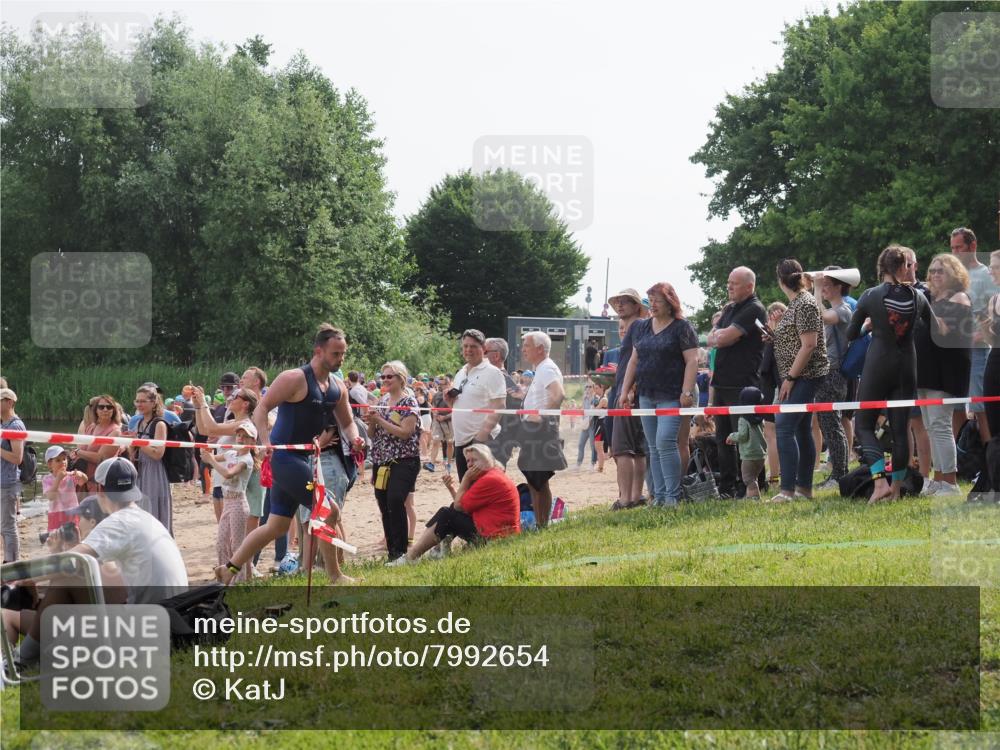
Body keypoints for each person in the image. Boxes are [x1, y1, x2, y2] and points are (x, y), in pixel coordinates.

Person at [215, 324, 363, 586]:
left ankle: (229, 568)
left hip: (303, 458)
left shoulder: (337, 387)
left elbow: (348, 422)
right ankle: (335, 576)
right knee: (328, 510)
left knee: (277, 527)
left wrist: (355, 439)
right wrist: (266, 441)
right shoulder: (293, 378)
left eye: (343, 354)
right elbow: (262, 409)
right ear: (318, 351)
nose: (340, 359)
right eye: (335, 354)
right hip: (283, 458)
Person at [847, 246, 935, 504]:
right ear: (903, 267)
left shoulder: (871, 296)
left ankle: (880, 484)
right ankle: (896, 490)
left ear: (882, 268)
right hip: (907, 365)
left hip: (878, 364)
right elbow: (936, 328)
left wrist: (867, 327)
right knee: (900, 430)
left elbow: (850, 334)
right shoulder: (918, 297)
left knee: (863, 425)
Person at [618, 282, 699, 506]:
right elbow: (634, 360)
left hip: (672, 394)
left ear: (670, 302)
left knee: (665, 442)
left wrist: (686, 391)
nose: (652, 305)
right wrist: (625, 390)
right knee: (652, 446)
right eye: (650, 300)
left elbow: (692, 360)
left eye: (657, 301)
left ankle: (673, 495)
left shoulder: (682, 327)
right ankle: (660, 495)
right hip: (645, 393)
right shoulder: (642, 327)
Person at [395, 444, 520, 564]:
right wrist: (451, 488)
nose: (470, 465)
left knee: (447, 514)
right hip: (499, 535)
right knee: (449, 511)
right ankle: (437, 551)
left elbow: (458, 506)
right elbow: (463, 507)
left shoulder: (489, 479)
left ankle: (412, 556)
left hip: (496, 539)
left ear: (487, 460)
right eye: (468, 461)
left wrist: (466, 478)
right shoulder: (492, 475)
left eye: (474, 460)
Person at [769, 259, 829, 503]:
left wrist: (791, 378)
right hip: (799, 375)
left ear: (781, 281)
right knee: (802, 429)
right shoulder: (798, 303)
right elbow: (796, 338)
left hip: (806, 375)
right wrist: (774, 335)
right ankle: (804, 488)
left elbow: (809, 345)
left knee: (784, 426)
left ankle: (788, 490)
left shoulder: (804, 304)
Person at [706, 267, 768, 497]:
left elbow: (723, 337)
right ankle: (727, 486)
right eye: (728, 282)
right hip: (722, 382)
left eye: (734, 283)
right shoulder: (731, 308)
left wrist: (719, 336)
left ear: (749, 286)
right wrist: (718, 336)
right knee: (723, 439)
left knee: (746, 438)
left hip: (743, 385)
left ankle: (751, 485)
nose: (729, 286)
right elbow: (715, 336)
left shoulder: (754, 308)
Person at [915, 253, 973, 496]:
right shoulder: (928, 296)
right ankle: (938, 479)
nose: (936, 275)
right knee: (930, 424)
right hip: (925, 371)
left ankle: (950, 482)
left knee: (940, 425)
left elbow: (944, 329)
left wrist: (923, 304)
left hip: (946, 372)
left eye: (942, 271)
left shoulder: (959, 298)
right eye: (934, 270)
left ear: (954, 274)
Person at [364, 360, 422, 563]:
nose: (385, 380)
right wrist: (372, 421)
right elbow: (373, 434)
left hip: (404, 460)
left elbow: (406, 433)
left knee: (396, 501)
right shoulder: (381, 400)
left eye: (390, 376)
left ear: (401, 379)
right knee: (384, 505)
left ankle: (401, 552)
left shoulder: (409, 402)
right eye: (383, 376)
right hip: (381, 461)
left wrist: (380, 420)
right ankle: (392, 554)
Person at [517, 331, 567, 526]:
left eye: (527, 346)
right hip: (535, 429)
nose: (523, 350)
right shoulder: (542, 368)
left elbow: (559, 394)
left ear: (539, 349)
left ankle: (542, 524)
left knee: (538, 479)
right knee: (534, 479)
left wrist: (542, 415)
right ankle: (540, 523)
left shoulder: (546, 368)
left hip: (541, 430)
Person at [813, 267, 856, 491]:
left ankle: (840, 474)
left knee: (832, 426)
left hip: (834, 374)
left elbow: (820, 315)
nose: (824, 289)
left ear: (839, 286)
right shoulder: (836, 308)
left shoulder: (844, 309)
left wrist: (816, 289)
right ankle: (838, 472)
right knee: (829, 424)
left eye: (828, 285)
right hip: (827, 373)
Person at [951, 227, 995, 443]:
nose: (955, 253)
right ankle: (960, 456)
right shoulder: (954, 276)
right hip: (954, 350)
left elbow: (994, 310)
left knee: (979, 405)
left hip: (977, 350)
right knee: (955, 405)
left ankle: (989, 459)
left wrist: (981, 334)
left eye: (959, 247)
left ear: (973, 246)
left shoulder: (987, 274)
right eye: (952, 248)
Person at [606, 289, 649, 509]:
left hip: (629, 393)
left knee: (622, 448)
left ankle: (626, 498)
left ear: (636, 306)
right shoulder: (640, 326)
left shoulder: (637, 327)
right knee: (638, 448)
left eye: (626, 302)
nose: (620, 306)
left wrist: (629, 388)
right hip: (634, 392)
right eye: (618, 302)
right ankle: (636, 495)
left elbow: (638, 360)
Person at [201, 421, 258, 583]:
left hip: (239, 504)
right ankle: (224, 578)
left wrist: (211, 460)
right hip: (227, 503)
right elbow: (209, 457)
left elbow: (228, 474)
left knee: (237, 546)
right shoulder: (231, 453)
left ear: (253, 441)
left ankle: (240, 582)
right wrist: (206, 453)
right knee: (221, 544)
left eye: (245, 436)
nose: (240, 439)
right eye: (239, 435)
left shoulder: (246, 460)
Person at [448, 329, 506, 479]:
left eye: (473, 346)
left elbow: (499, 406)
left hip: (482, 441)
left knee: (483, 491)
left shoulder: (492, 372)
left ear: (483, 349)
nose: (468, 350)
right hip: (461, 442)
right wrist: (450, 403)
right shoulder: (461, 372)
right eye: (465, 346)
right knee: (467, 490)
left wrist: (481, 436)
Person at [131, 384, 174, 533]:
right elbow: (136, 450)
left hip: (154, 471)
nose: (139, 404)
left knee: (153, 506)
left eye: (143, 401)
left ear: (153, 402)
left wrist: (137, 441)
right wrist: (129, 443)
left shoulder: (159, 424)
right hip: (140, 469)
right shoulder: (139, 423)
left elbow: (158, 454)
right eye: (137, 401)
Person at [70, 395, 124, 493]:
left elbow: (101, 458)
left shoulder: (115, 431)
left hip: (100, 482)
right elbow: (81, 449)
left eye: (109, 407)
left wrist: (78, 452)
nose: (105, 409)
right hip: (82, 480)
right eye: (101, 407)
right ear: (96, 410)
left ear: (114, 410)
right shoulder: (91, 427)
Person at [485, 337, 522, 469]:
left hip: (495, 442)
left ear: (495, 356)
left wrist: (505, 443)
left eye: (484, 351)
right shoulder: (493, 377)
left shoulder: (503, 379)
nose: (479, 354)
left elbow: (514, 415)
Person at [760, 302, 786, 487]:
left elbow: (765, 366)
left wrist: (770, 339)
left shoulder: (778, 338)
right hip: (780, 387)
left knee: (771, 434)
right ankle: (778, 473)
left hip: (776, 387)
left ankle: (775, 478)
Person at [726, 387, 767, 499]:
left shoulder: (743, 420)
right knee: (754, 478)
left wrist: (732, 436)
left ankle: (754, 499)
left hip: (749, 455)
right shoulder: (760, 419)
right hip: (760, 454)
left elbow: (743, 436)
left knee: (748, 479)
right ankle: (752, 496)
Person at [1, 387, 25, 562]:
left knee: (8, 526)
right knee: (5, 525)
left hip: (8, 482)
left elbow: (17, 458)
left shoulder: (15, 425)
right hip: (3, 480)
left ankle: (12, 563)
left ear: (10, 402)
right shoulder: (3, 425)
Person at [41, 446, 86, 531]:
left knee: (73, 536)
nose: (63, 462)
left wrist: (81, 475)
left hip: (72, 512)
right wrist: (58, 479)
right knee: (56, 538)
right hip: (56, 514)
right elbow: (51, 497)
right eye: (58, 460)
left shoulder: (71, 476)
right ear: (50, 464)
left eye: (64, 459)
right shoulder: (47, 479)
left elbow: (83, 481)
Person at [983, 250, 1000, 442]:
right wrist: (985, 329)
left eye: (994, 267)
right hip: (994, 363)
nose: (991, 272)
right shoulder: (993, 300)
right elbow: (991, 340)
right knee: (994, 423)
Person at [427, 374, 455, 473]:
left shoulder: (453, 395)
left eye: (443, 384)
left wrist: (445, 417)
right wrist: (435, 413)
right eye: (440, 384)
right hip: (438, 420)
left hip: (449, 421)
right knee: (436, 441)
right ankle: (432, 463)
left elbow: (456, 410)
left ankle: (448, 464)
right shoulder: (436, 395)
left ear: (448, 384)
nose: (441, 386)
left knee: (450, 443)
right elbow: (433, 407)